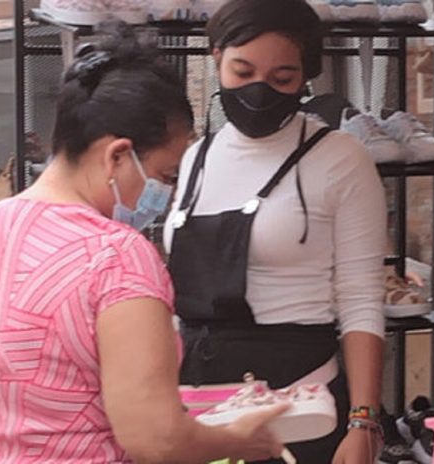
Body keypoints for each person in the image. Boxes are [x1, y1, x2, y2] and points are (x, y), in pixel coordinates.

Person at [0, 28, 290, 463]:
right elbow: (155, 439)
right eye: (166, 176)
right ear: (118, 156)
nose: (167, 193)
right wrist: (240, 441)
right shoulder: (116, 256)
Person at [164, 0, 388, 461]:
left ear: (304, 77)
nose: (258, 91)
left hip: (300, 410)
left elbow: (361, 297)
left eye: (281, 79)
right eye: (242, 72)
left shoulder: (340, 158)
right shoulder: (194, 159)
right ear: (216, 57)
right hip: (200, 413)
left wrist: (363, 421)